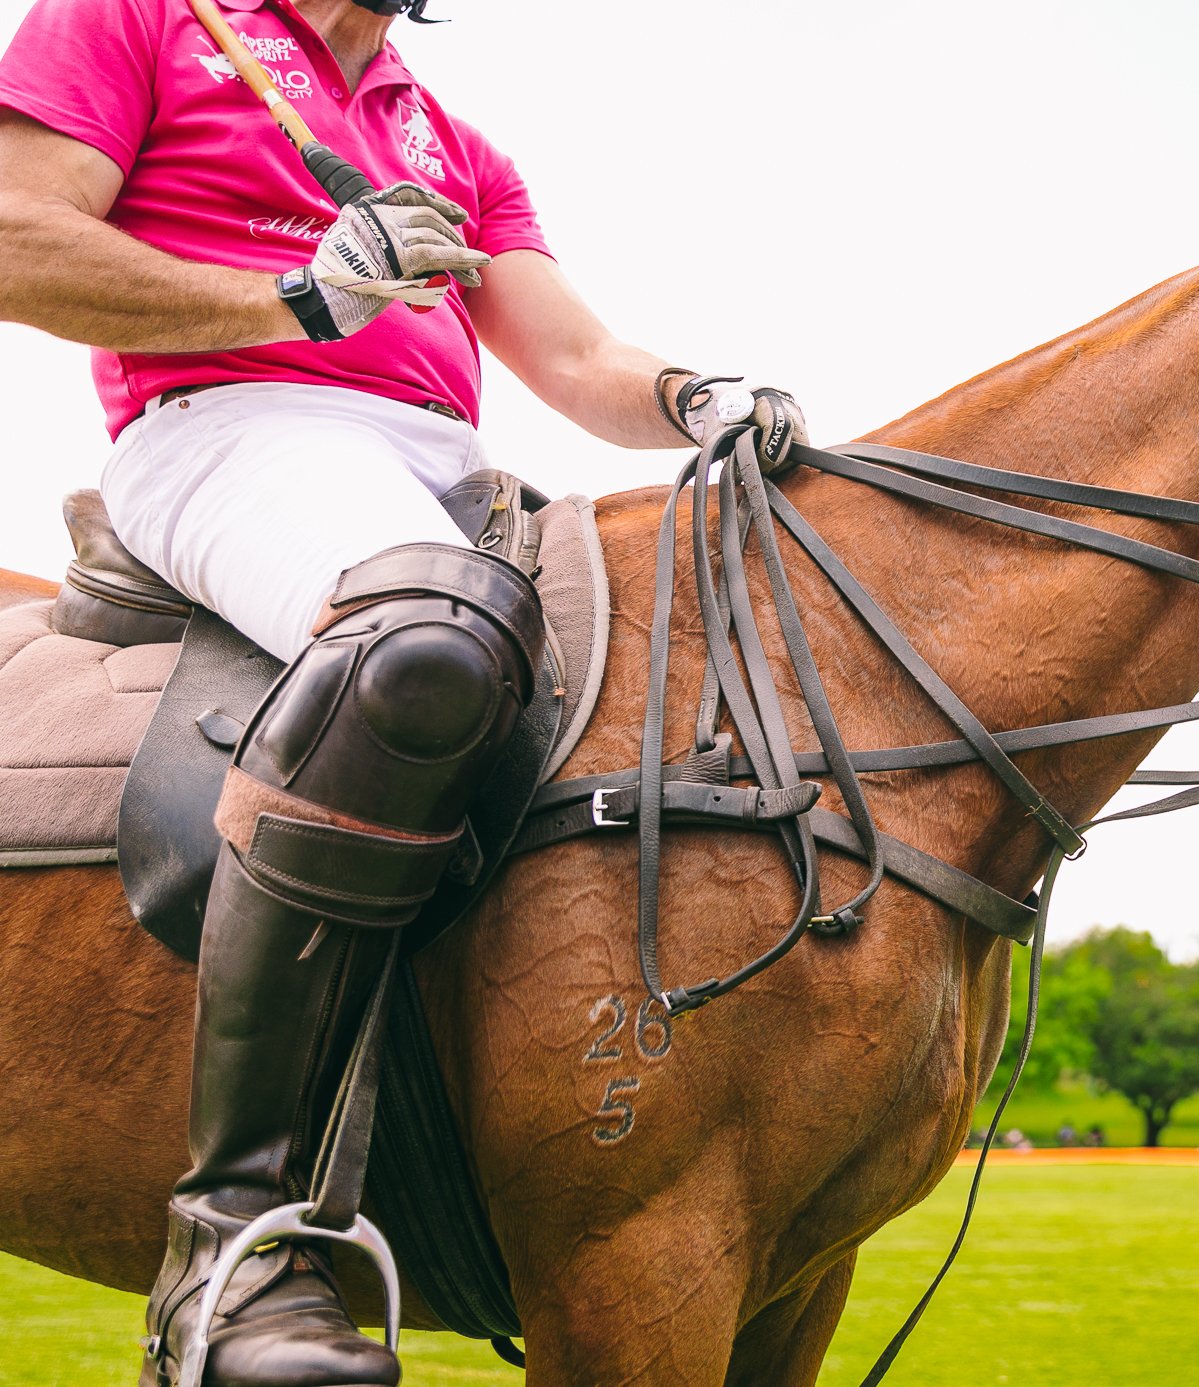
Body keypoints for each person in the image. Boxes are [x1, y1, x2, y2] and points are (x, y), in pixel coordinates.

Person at [0, 3, 804, 1385]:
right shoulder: (132, 19)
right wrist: (300, 300)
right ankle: (237, 1240)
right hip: (228, 422)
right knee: (421, 646)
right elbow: (16, 237)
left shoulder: (446, 137)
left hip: (441, 459)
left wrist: (693, 399)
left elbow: (569, 358)